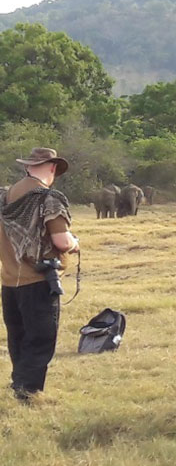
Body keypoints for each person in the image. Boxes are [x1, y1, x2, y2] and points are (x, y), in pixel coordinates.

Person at [1, 148, 79, 403]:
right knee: (40, 339)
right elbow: (62, 241)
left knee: (18, 338)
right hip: (37, 282)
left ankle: (18, 386)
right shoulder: (48, 199)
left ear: (27, 167)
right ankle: (28, 394)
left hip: (9, 282)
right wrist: (75, 242)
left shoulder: (5, 198)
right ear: (53, 168)